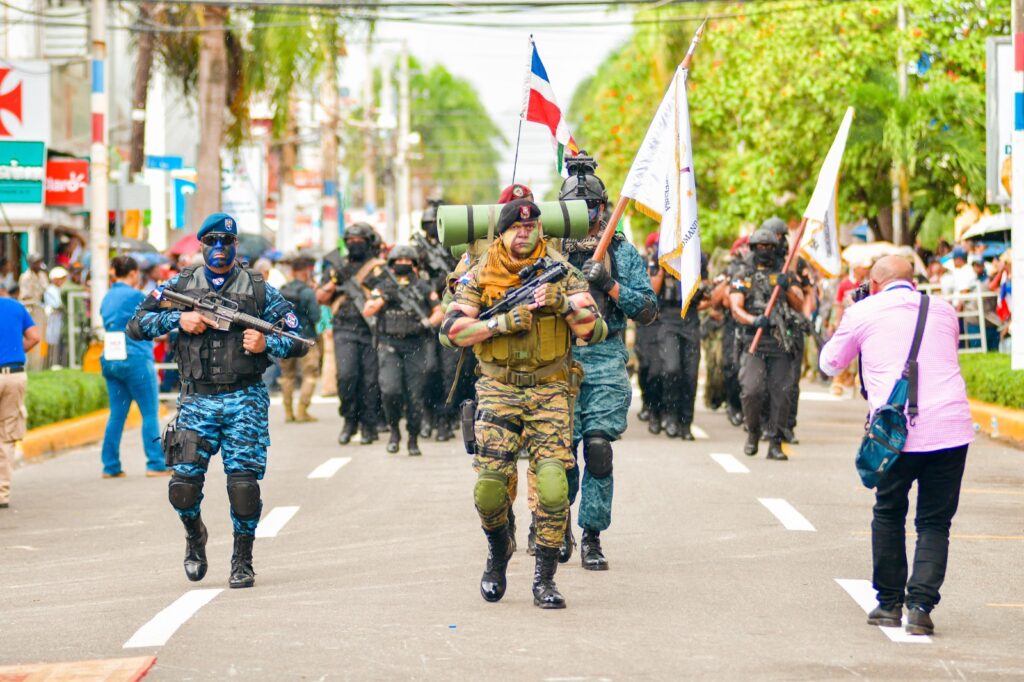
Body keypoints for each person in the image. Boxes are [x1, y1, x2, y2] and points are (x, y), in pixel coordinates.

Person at [128, 212, 307, 589]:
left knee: (243, 487)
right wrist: (179, 320)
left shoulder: (259, 289)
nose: (220, 250)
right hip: (196, 401)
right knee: (183, 486)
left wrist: (266, 342)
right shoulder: (180, 284)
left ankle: (242, 559)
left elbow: (297, 339)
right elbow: (137, 323)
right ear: (202, 246)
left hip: (246, 400)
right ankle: (195, 535)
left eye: (227, 243)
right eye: (212, 243)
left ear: (236, 245)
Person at [442, 198, 607, 608]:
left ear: (540, 230)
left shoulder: (562, 273)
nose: (524, 232)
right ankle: (499, 551)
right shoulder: (478, 273)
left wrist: (563, 304)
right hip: (498, 388)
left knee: (552, 489)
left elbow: (595, 330)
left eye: (531, 227)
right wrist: (498, 323)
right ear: (501, 231)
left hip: (550, 387)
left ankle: (544, 578)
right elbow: (451, 332)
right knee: (489, 490)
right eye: (516, 227)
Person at [819, 255, 973, 636]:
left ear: (873, 283)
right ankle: (920, 607)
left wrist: (853, 318)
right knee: (935, 522)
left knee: (889, 512)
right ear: (913, 281)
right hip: (950, 428)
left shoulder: (863, 312)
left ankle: (889, 605)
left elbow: (829, 364)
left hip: (895, 432)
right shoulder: (944, 310)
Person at [558, 162, 658, 569]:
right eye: (575, 207)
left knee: (597, 450)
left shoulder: (620, 250)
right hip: (557, 359)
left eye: (591, 206)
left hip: (604, 356)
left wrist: (609, 285)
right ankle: (553, 523)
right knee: (558, 454)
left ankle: (592, 535)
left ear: (603, 208)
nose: (585, 215)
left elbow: (648, 309)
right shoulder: (547, 247)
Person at [729, 227, 803, 461]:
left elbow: (799, 304)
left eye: (769, 247)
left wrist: (786, 287)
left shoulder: (784, 272)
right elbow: (735, 306)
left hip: (780, 341)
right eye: (760, 247)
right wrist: (754, 320)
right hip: (753, 339)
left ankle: (776, 441)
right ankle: (753, 432)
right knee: (752, 390)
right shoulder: (743, 274)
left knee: (781, 393)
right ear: (753, 248)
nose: (765, 251)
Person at [364, 245, 443, 456]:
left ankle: (413, 438)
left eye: (409, 262)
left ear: (415, 265)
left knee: (415, 395)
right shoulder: (383, 286)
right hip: (389, 345)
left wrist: (427, 323)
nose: (404, 265)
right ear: (391, 264)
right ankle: (394, 431)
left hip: (415, 345)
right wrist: (385, 297)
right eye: (399, 262)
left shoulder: (424, 287)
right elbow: (368, 309)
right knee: (390, 391)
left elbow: (439, 311)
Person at [317, 223, 386, 445]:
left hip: (370, 329)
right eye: (351, 240)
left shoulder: (378, 268)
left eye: (360, 240)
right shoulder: (338, 267)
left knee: (369, 380)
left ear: (369, 242)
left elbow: (387, 293)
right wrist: (336, 280)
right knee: (346, 376)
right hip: (344, 328)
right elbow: (320, 297)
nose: (355, 244)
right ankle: (349, 421)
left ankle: (369, 424)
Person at [99, 256, 168, 478]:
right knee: (149, 413)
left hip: (111, 358)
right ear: (132, 274)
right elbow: (155, 328)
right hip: (136, 357)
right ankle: (155, 463)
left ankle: (110, 466)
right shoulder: (137, 296)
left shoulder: (107, 297)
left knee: (117, 415)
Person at [0, 286, 40, 509]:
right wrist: (15, 349)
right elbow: (34, 337)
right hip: (14, 375)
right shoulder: (16, 307)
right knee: (6, 436)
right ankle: (2, 493)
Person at [278, 256, 323, 423]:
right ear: (306, 272)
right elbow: (315, 316)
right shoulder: (307, 292)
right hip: (306, 338)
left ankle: (288, 412)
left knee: (287, 376)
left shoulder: (282, 290)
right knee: (310, 375)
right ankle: (302, 410)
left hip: (286, 338)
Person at [634, 232, 665, 433]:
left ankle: (658, 412)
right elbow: (651, 290)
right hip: (647, 323)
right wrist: (658, 268)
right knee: (646, 367)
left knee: (660, 370)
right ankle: (648, 404)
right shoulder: (645, 262)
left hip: (666, 323)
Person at [44, 266, 68, 367]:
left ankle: (60, 363)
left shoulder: (63, 289)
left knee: (61, 342)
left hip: (62, 319)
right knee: (53, 343)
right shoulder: (50, 290)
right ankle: (51, 364)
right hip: (54, 319)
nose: (62, 280)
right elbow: (57, 304)